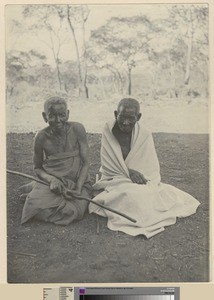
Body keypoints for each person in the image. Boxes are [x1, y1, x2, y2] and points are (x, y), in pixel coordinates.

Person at [89, 98, 200, 238]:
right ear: (115, 114)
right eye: (122, 117)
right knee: (127, 195)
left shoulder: (144, 134)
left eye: (131, 118)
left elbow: (150, 169)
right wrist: (128, 172)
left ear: (139, 117)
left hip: (136, 180)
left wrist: (137, 176)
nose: (125, 122)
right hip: (113, 178)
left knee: (142, 194)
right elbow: (108, 163)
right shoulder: (108, 130)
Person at [21, 96, 92, 225]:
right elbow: (37, 167)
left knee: (76, 210)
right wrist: (52, 180)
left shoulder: (78, 129)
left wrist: (78, 188)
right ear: (44, 116)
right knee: (33, 205)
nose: (58, 120)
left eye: (62, 115)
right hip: (52, 181)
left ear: (68, 114)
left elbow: (86, 162)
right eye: (52, 116)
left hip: (76, 180)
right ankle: (36, 190)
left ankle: (35, 190)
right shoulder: (41, 137)